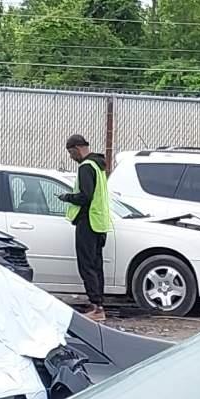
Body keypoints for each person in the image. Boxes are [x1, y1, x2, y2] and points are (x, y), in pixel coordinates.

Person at [60, 133, 114, 320]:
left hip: (88, 222)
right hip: (100, 223)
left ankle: (96, 308)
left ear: (76, 148)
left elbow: (85, 196)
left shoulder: (85, 167)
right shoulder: (99, 166)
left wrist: (67, 197)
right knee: (96, 265)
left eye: (70, 152)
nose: (70, 157)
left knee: (87, 266)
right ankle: (99, 305)